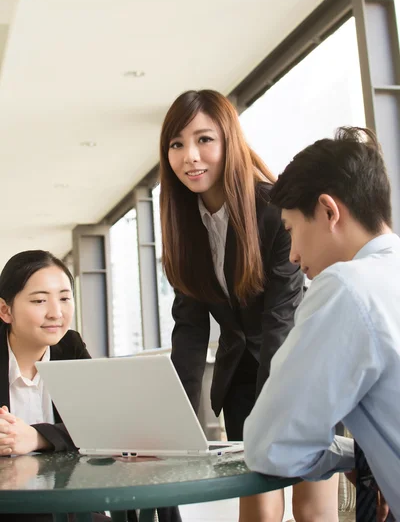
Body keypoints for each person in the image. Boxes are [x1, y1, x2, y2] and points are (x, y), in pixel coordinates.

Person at [159, 89, 340, 522]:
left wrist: (270, 415)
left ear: (228, 141)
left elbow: (281, 319)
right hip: (241, 375)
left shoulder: (274, 209)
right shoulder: (183, 225)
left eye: (204, 139)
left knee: (312, 510)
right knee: (258, 510)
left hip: (301, 368)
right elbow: (189, 331)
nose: (190, 157)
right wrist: (176, 427)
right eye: (177, 144)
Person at [244, 127, 400, 521]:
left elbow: (271, 444)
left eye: (292, 230)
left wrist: (350, 458)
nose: (293, 255)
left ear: (330, 211)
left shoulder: (346, 286)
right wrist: (372, 458)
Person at [0, 250, 179, 522]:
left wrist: (37, 437)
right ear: (5, 310)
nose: (55, 313)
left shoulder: (69, 346)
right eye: (39, 300)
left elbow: (105, 423)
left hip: (68, 500)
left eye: (64, 298)